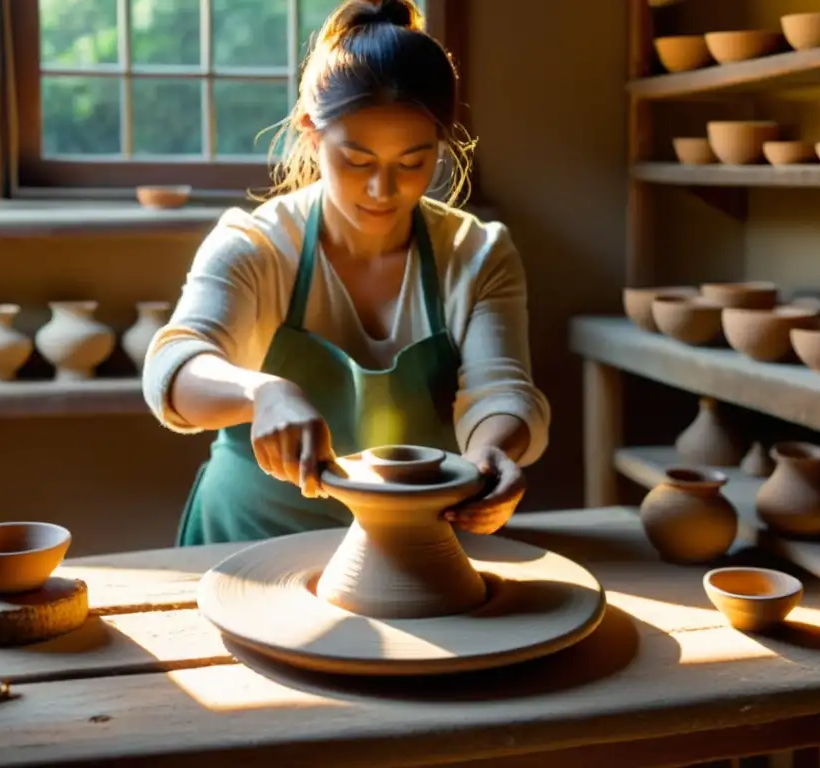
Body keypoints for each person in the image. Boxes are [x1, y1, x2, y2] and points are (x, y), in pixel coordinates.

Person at [141, 0, 551, 546]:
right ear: (312, 133)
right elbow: (172, 365)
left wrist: (487, 456)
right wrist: (263, 393)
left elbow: (502, 389)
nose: (384, 190)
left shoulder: (476, 253)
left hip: (414, 544)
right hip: (248, 539)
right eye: (357, 161)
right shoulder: (257, 244)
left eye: (412, 163)